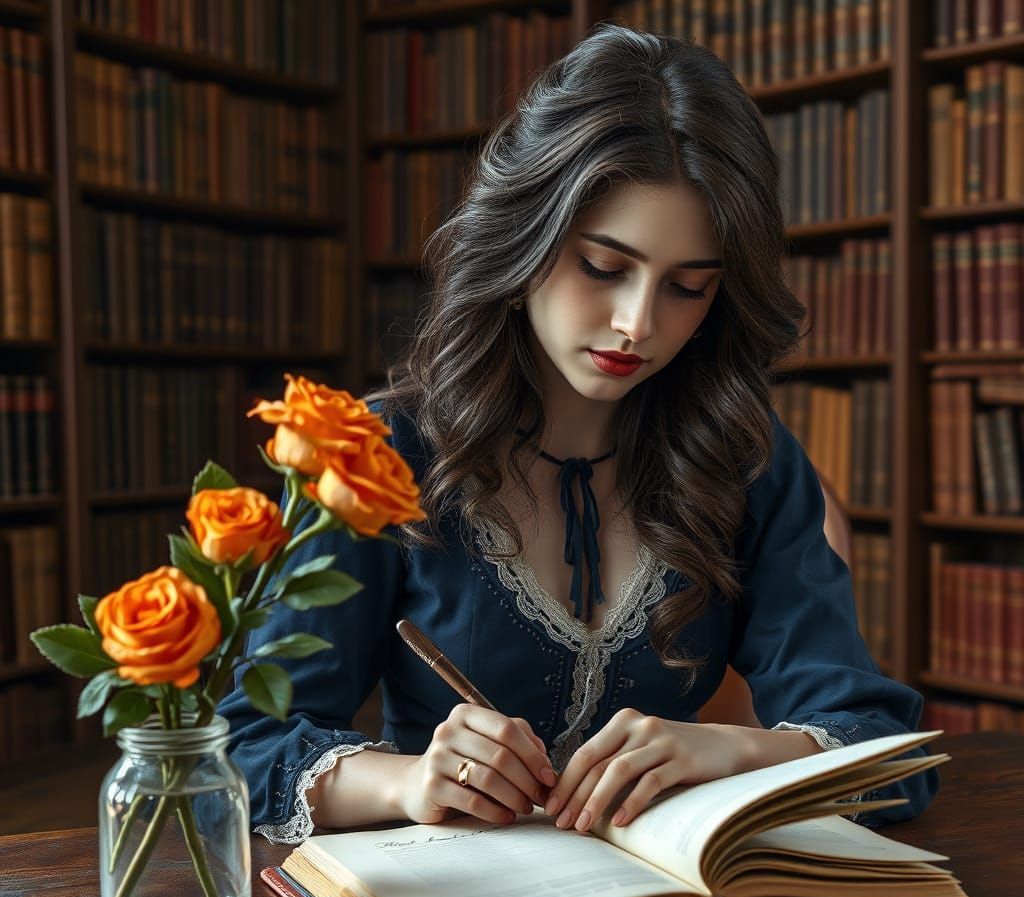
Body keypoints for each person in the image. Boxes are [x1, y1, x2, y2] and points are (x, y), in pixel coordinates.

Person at [219, 23, 937, 846]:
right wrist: (411, 780)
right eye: (604, 267)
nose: (637, 323)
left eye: (688, 287)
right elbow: (249, 746)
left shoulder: (744, 461)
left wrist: (736, 751)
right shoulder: (377, 458)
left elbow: (891, 753)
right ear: (524, 236)